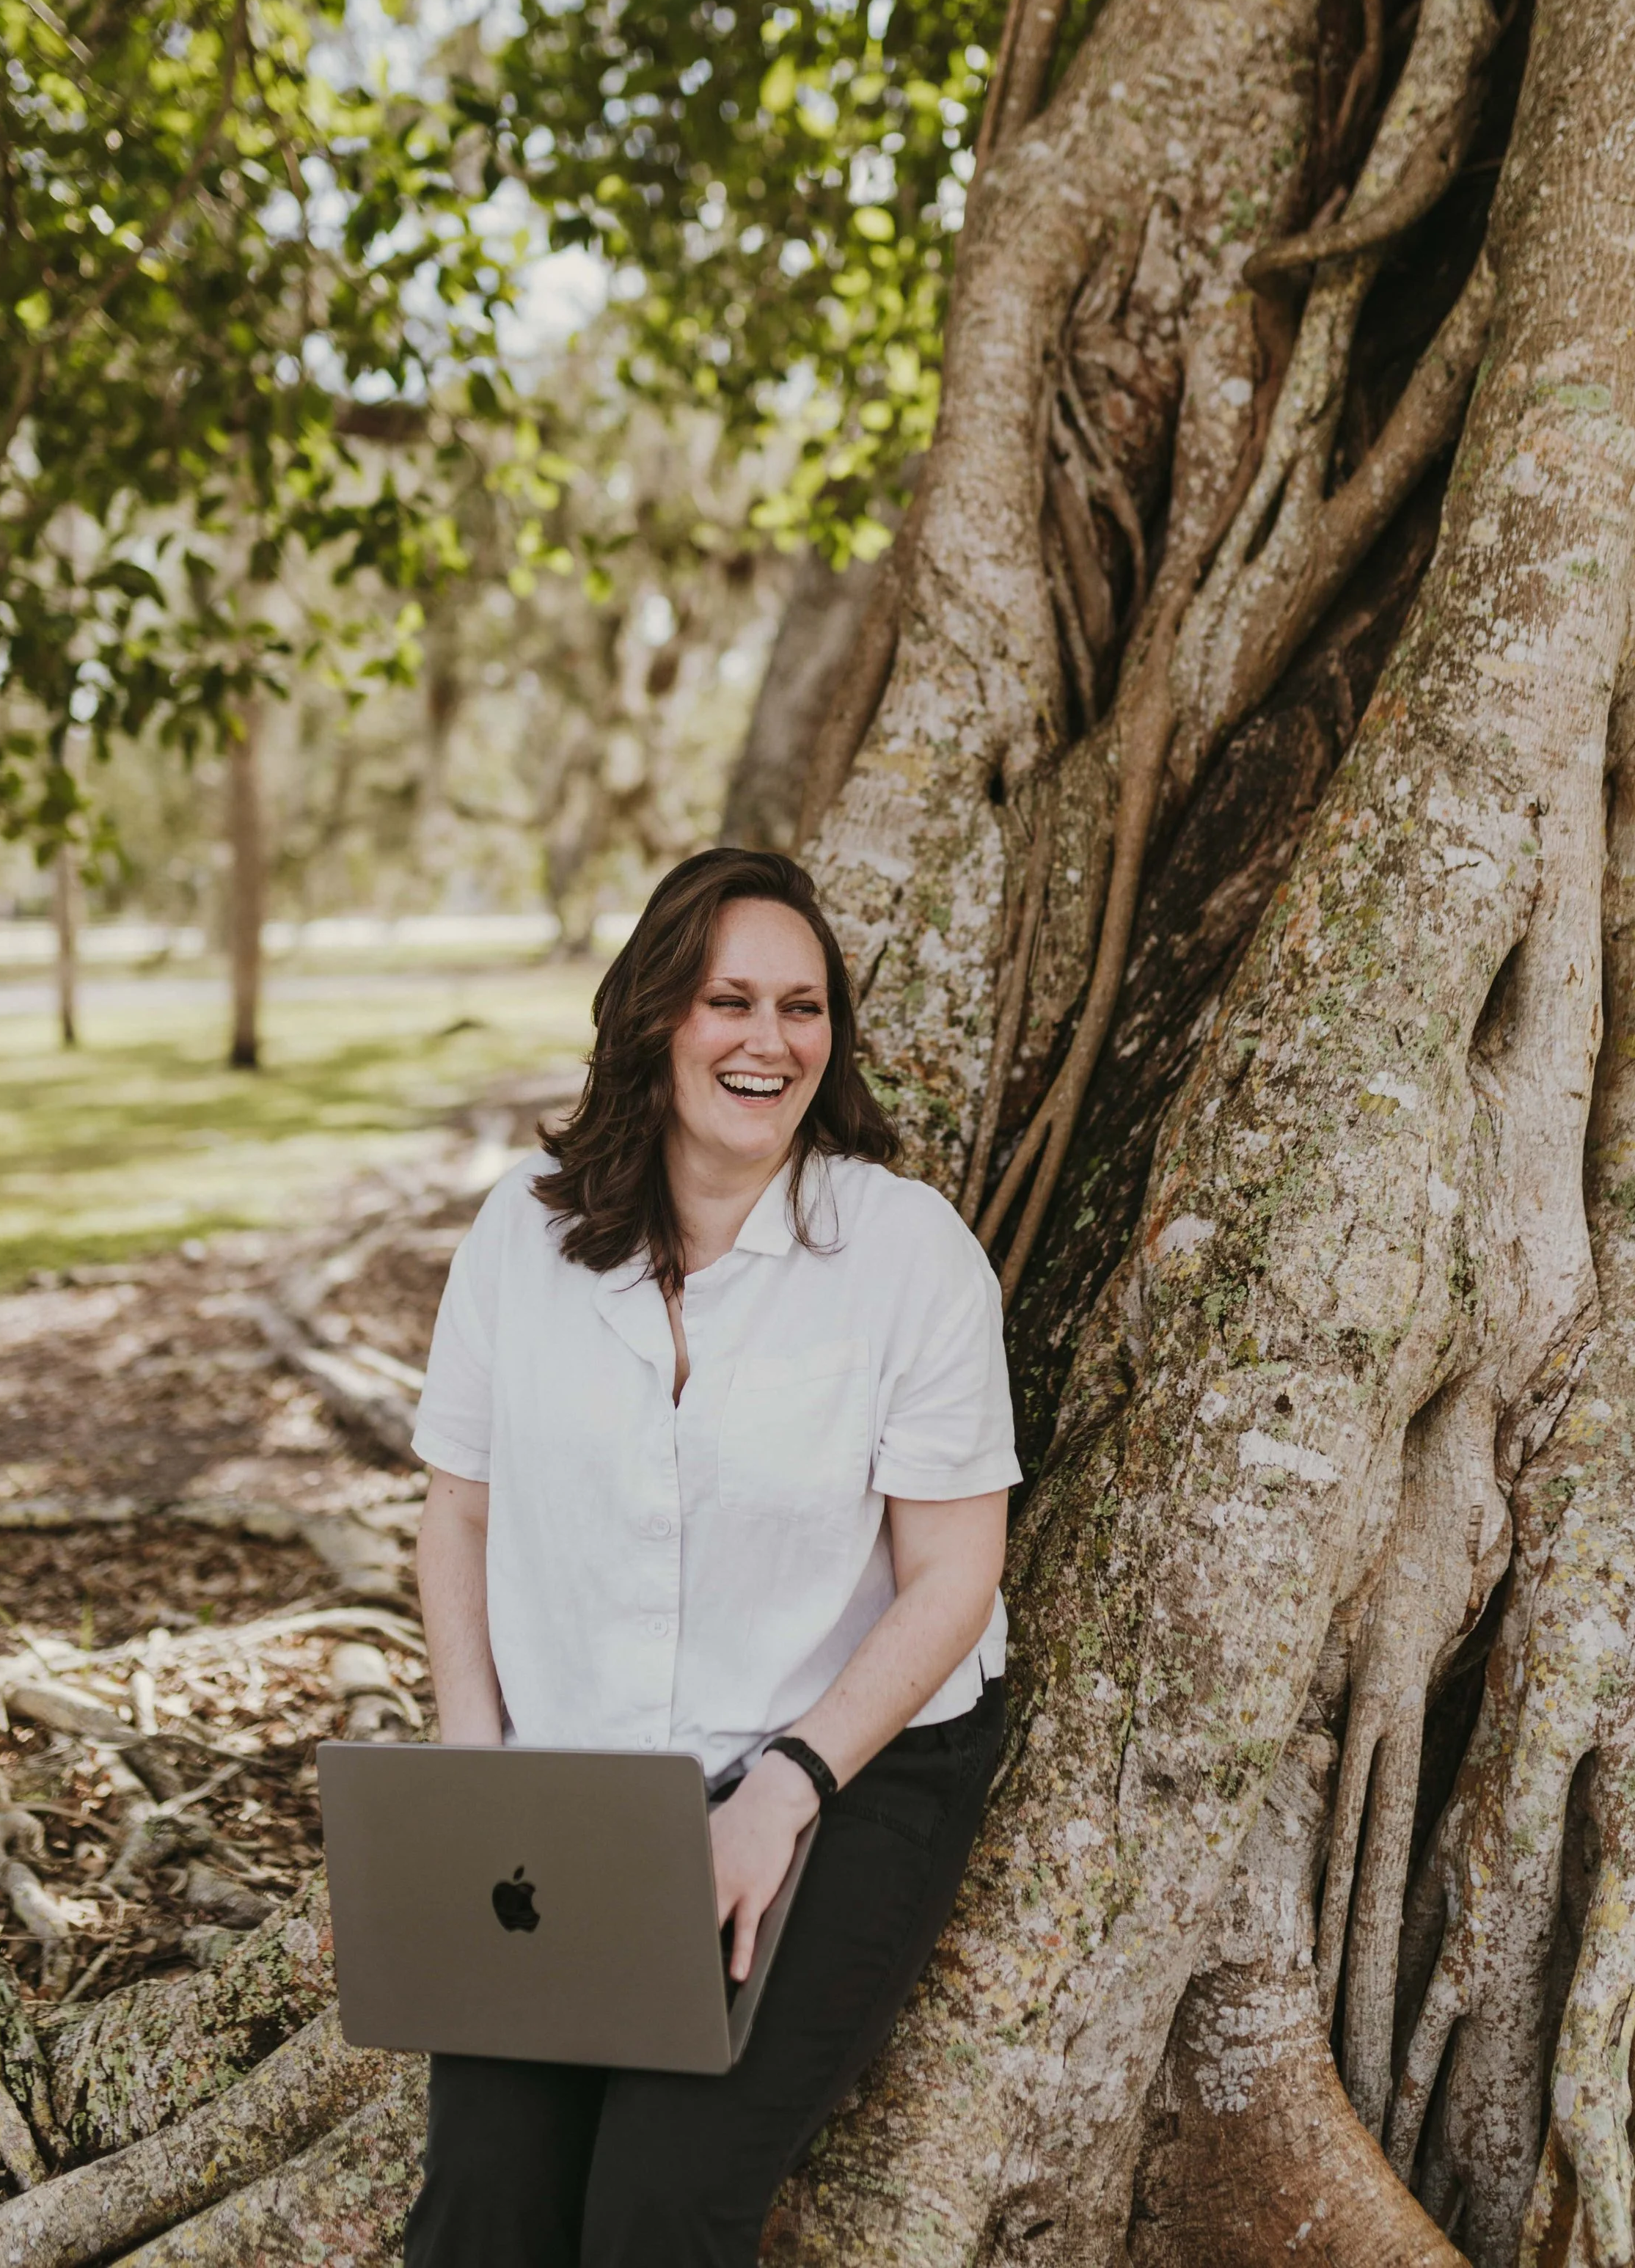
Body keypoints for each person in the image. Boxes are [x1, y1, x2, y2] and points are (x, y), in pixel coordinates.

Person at [404, 845, 1019, 2268]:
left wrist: (778, 1798)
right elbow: (460, 1518)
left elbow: (952, 1579)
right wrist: (475, 1773)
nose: (767, 1041)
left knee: (656, 2211)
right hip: (574, 1784)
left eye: (801, 1008)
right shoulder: (522, 1236)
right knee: (480, 2207)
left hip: (847, 1766)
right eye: (727, 1001)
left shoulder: (903, 1256)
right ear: (652, 1021)